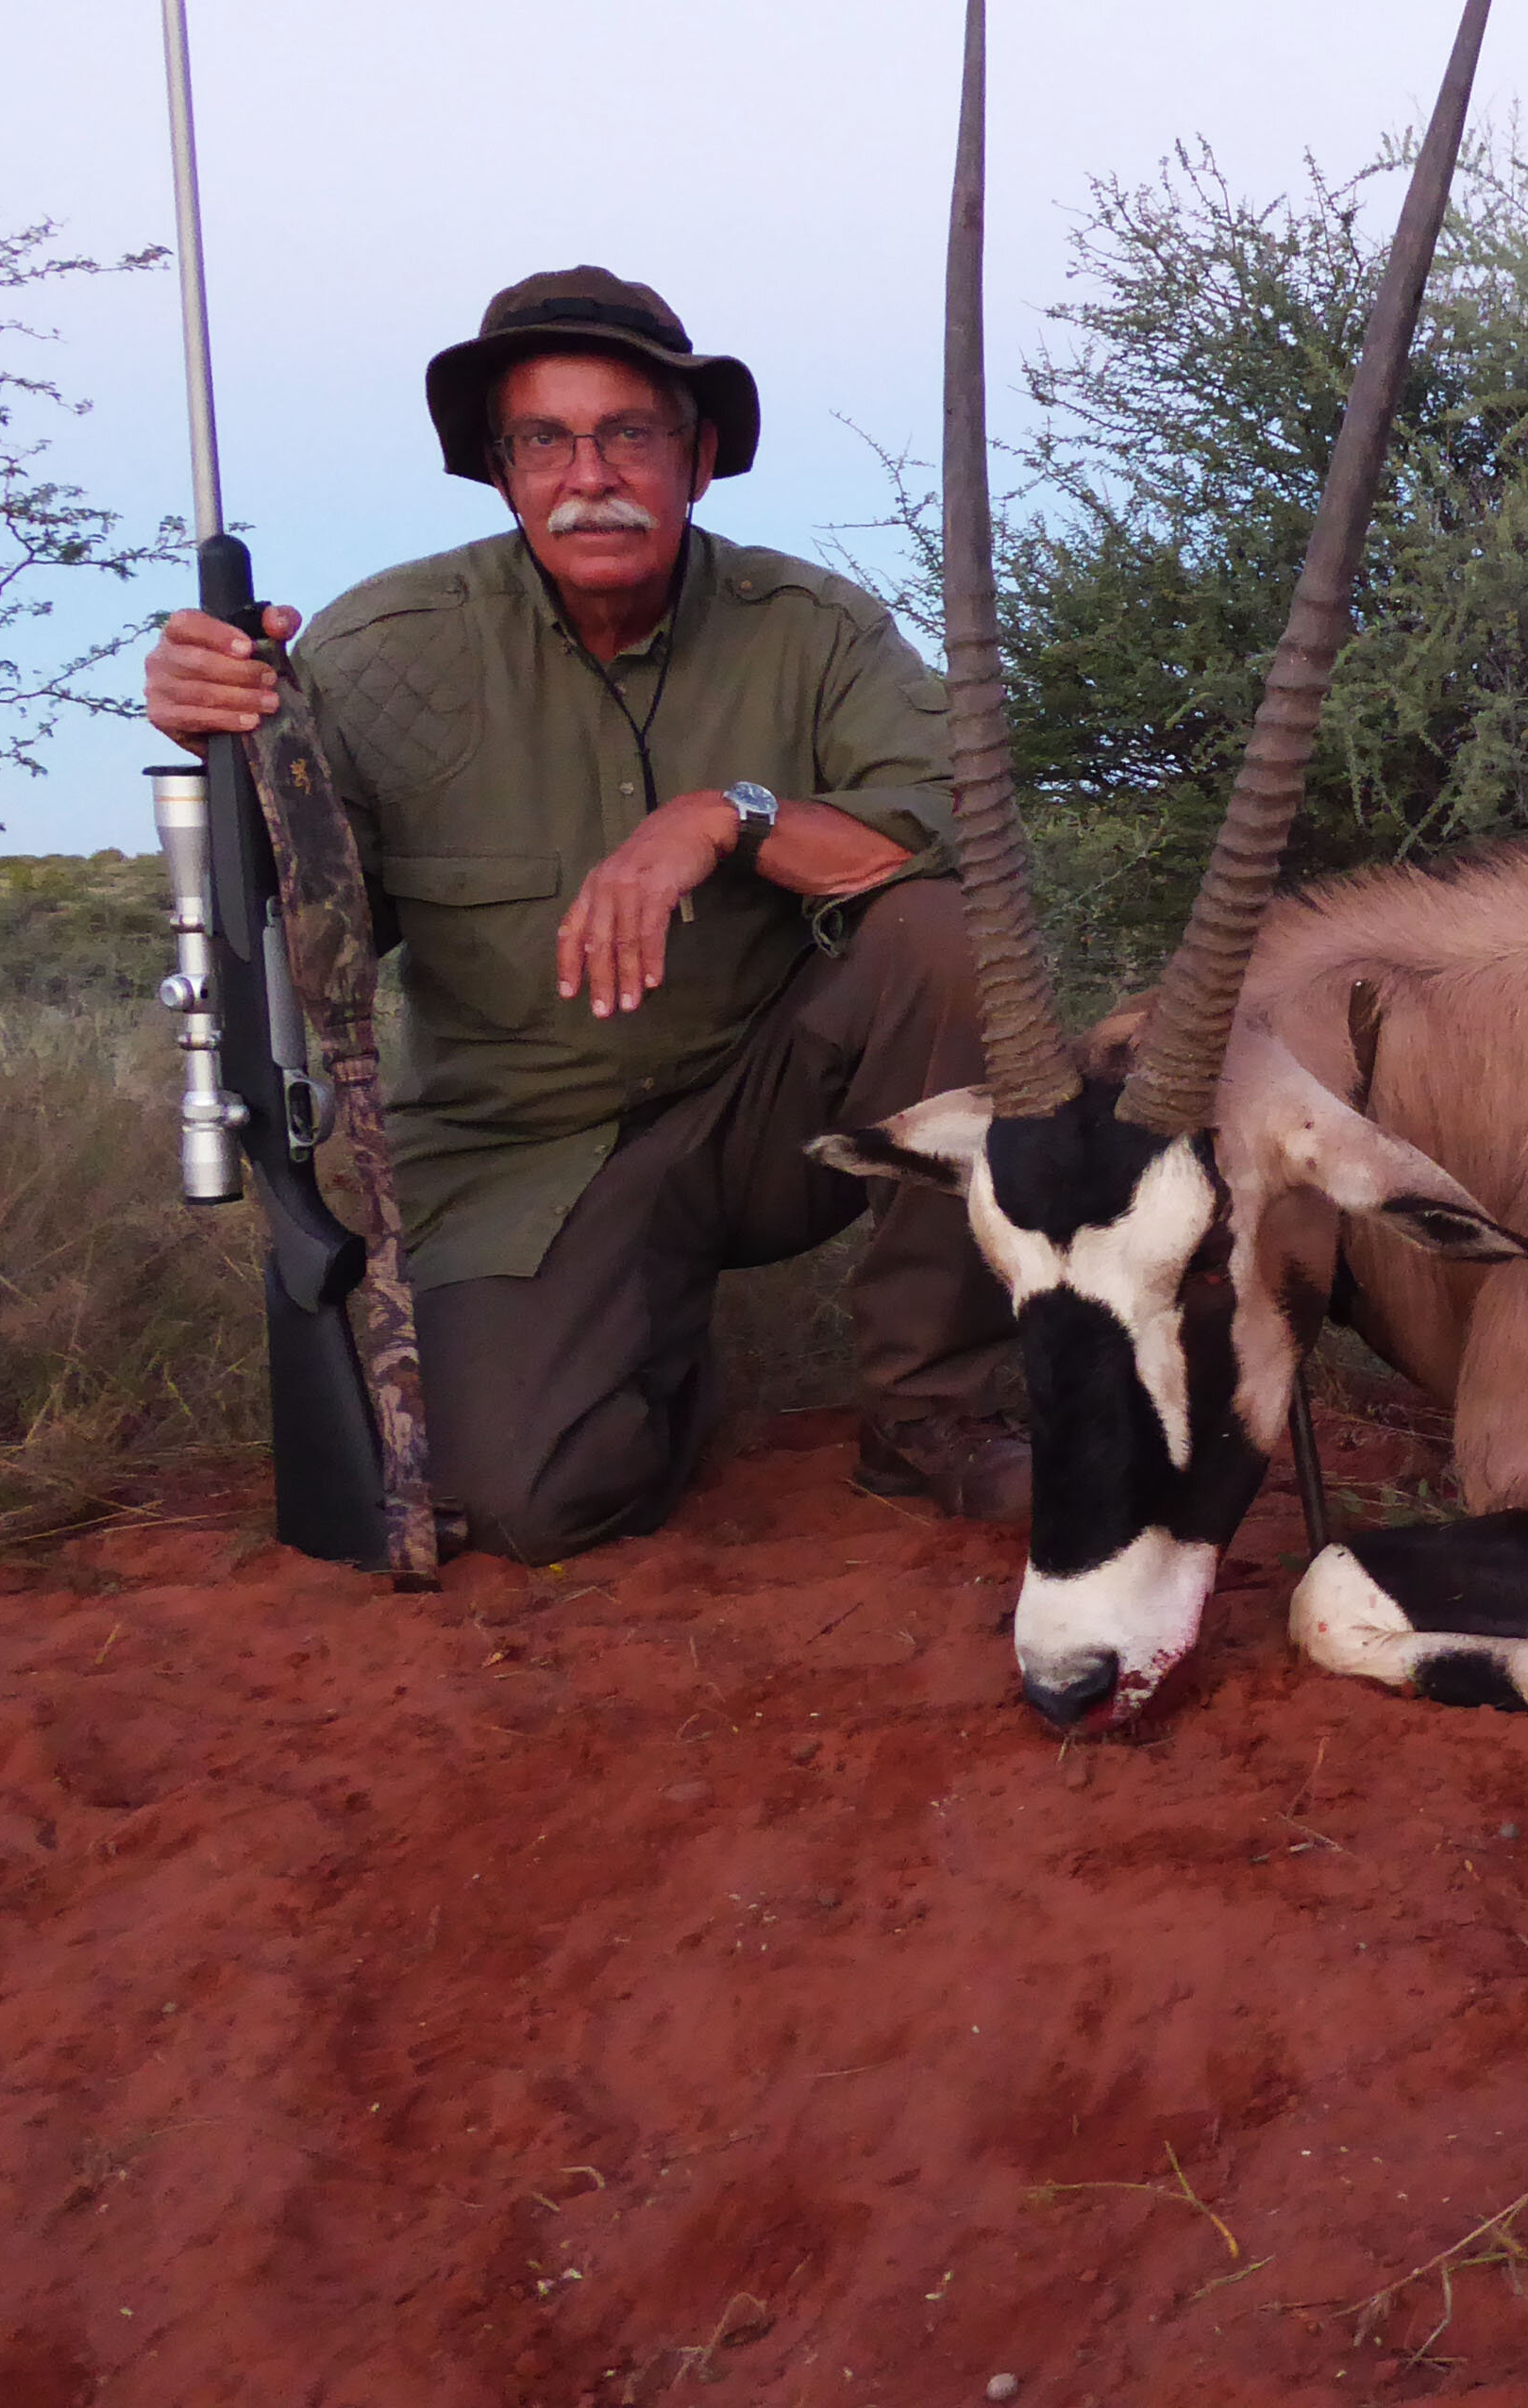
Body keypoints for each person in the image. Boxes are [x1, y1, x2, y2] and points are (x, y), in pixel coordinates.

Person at [143, 267, 1026, 1556]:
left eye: (631, 434)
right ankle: (628, 1344)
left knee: (951, 938)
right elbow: (301, 916)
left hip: (772, 1119)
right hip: (523, 1157)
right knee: (528, 1501)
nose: (590, 474)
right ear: (502, 475)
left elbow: (953, 838)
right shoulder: (381, 646)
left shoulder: (818, 628)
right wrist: (224, 733)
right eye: (545, 441)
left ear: (699, 459)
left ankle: (931, 1416)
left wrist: (729, 817)